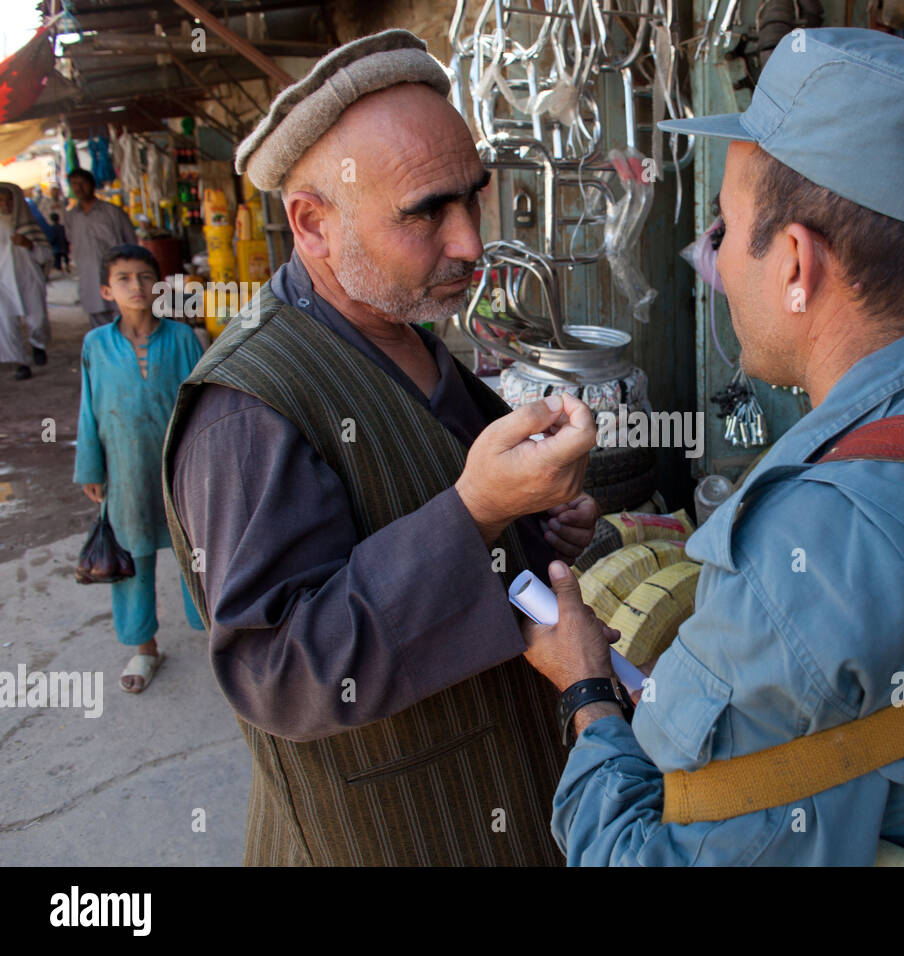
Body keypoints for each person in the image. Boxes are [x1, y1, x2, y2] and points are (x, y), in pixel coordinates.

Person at [521, 28, 904, 865]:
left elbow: (637, 855)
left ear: (797, 263)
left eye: (724, 231)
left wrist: (586, 689)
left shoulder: (806, 548)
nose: (712, 263)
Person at [162, 29, 605, 866]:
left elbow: (416, 516)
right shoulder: (248, 411)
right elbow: (278, 672)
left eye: (473, 198)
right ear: (313, 225)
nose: (471, 242)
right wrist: (476, 512)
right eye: (426, 212)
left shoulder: (407, 330)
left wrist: (537, 526)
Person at [73, 245, 206, 692]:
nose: (136, 286)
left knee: (198, 553)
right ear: (107, 289)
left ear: (159, 286)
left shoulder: (184, 339)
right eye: (124, 278)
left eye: (145, 277)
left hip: (179, 468)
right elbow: (88, 410)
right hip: (124, 469)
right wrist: (90, 467)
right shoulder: (95, 345)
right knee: (132, 557)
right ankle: (144, 647)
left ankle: (214, 633)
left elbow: (203, 405)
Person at [64, 168, 136, 328]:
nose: (78, 188)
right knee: (98, 325)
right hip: (88, 277)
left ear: (92, 185)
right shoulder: (71, 217)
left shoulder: (112, 212)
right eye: (74, 184)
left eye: (82, 183)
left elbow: (132, 243)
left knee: (125, 319)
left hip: (116, 275)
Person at [0, 181, 52, 380]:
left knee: (37, 319)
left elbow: (46, 255)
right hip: (2, 281)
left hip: (28, 276)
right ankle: (21, 362)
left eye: (8, 201)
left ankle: (38, 344)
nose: (4, 205)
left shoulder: (28, 225)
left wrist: (28, 243)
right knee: (6, 324)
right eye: (0, 201)